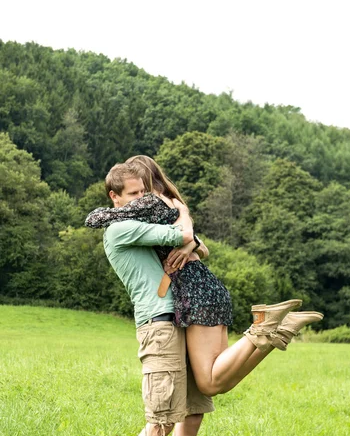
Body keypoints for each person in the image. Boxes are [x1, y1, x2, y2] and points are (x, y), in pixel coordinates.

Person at [87, 158, 323, 436]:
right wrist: (185, 223)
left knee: (181, 414)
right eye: (134, 194)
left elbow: (192, 241)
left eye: (143, 191)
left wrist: (185, 231)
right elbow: (189, 238)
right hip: (168, 317)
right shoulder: (126, 226)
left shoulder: (146, 213)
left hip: (178, 314)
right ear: (115, 196)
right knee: (172, 417)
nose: (141, 200)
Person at [86, 156, 323, 397]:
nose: (139, 196)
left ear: (140, 178)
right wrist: (190, 235)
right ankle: (277, 330)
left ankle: (263, 327)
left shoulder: (150, 206)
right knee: (218, 383)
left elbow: (97, 219)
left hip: (193, 292)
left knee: (209, 383)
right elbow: (203, 248)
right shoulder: (171, 204)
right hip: (207, 286)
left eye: (139, 188)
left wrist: (184, 229)